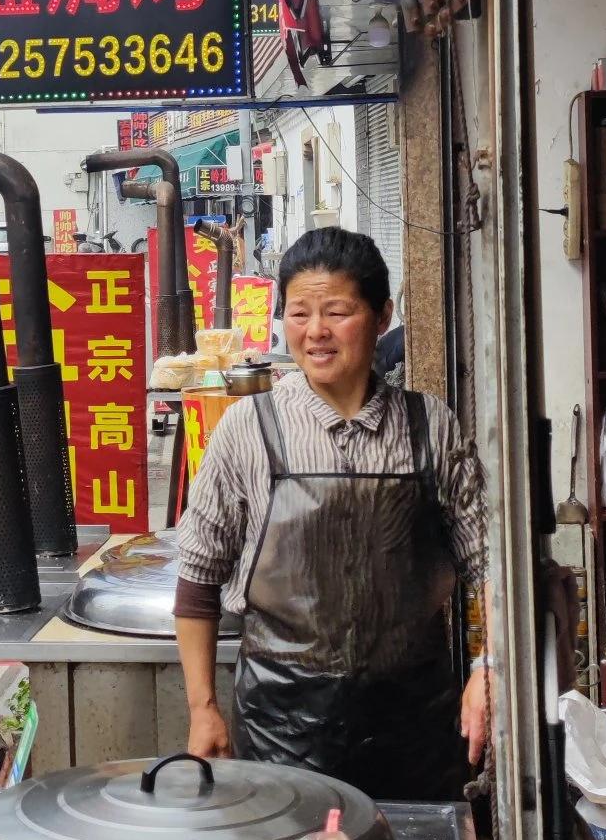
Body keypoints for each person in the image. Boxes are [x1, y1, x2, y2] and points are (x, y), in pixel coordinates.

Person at [174, 226, 487, 798]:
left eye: (337, 311)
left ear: (382, 315)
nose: (315, 332)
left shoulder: (429, 426)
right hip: (282, 721)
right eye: (299, 313)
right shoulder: (250, 428)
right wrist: (203, 708)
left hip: (415, 718)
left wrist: (488, 670)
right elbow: (198, 579)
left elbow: (486, 566)